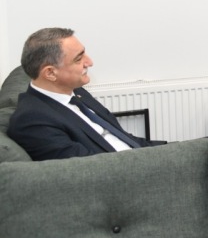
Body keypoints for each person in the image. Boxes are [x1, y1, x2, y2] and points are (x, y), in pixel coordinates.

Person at [7, 28, 165, 161]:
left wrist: (171, 150)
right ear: (50, 73)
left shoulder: (77, 92)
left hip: (136, 160)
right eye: (78, 59)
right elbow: (89, 171)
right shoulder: (33, 122)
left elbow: (125, 139)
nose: (89, 62)